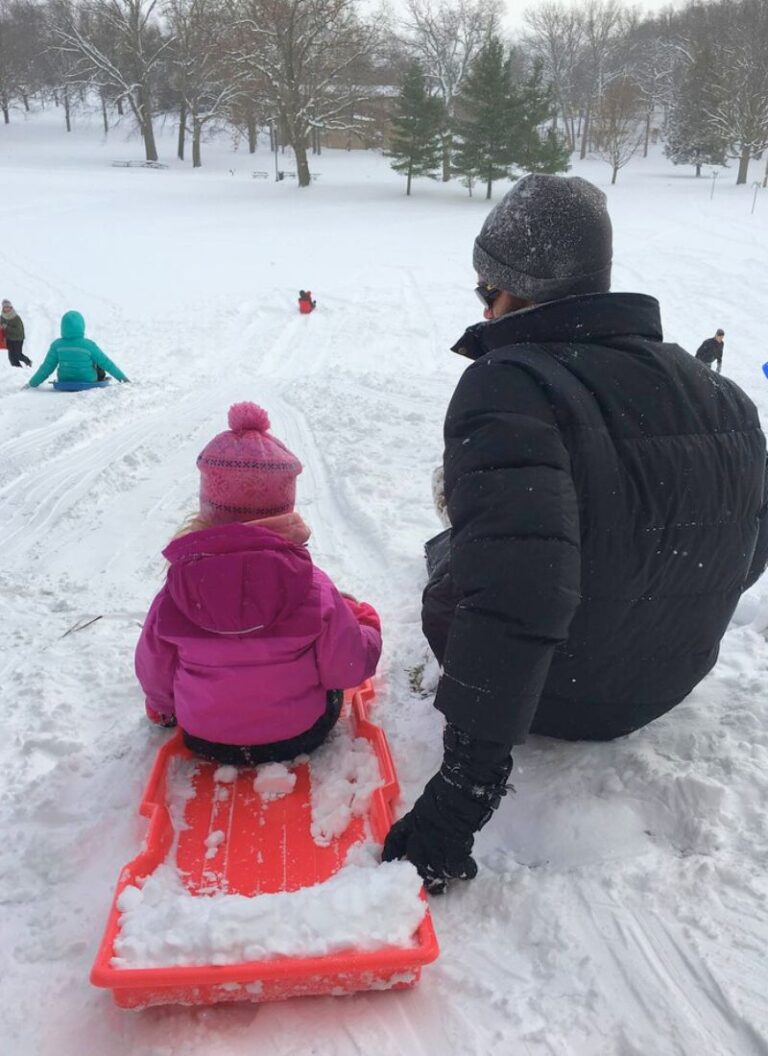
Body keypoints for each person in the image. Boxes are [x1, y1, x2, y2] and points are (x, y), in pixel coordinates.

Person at [383, 174, 768, 894]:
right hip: (668, 679)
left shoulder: (509, 383)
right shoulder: (723, 393)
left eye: (484, 293)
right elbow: (747, 545)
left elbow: (515, 599)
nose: (483, 309)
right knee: (504, 543)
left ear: (516, 291)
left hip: (559, 695)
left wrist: (456, 806)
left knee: (457, 573)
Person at [135, 402, 382, 765]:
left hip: (204, 738)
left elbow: (153, 667)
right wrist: (365, 622)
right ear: (284, 509)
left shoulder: (176, 591)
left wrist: (161, 709)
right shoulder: (313, 587)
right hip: (299, 736)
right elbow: (345, 669)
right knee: (333, 633)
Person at [27, 310, 129, 388]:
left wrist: (32, 383)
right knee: (99, 362)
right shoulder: (89, 345)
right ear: (82, 326)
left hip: (65, 379)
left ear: (63, 327)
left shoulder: (57, 345)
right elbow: (106, 363)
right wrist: (123, 379)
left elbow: (46, 368)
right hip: (88, 379)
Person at [2, 299, 31, 367]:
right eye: (5, 307)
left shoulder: (16, 318)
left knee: (18, 355)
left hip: (18, 338)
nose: (6, 308)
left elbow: (18, 331)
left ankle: (28, 362)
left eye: (7, 306)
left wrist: (6, 327)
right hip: (9, 339)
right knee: (11, 357)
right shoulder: (2, 316)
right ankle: (18, 370)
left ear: (10, 307)